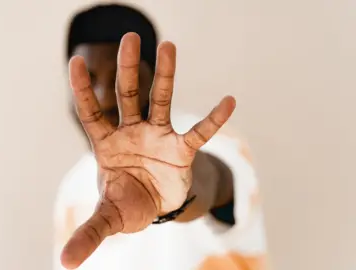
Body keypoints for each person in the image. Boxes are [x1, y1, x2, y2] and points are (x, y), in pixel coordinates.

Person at [53, 4, 266, 270]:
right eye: (90, 79)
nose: (106, 97)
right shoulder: (71, 187)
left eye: (119, 78)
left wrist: (180, 189)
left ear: (152, 79)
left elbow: (214, 184)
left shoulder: (215, 143)